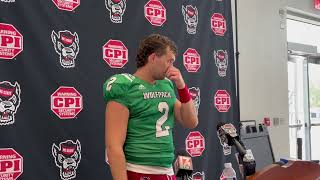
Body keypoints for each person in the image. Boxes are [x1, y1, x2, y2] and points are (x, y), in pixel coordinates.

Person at [103, 34, 198, 180]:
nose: (171, 67)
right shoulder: (125, 86)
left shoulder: (166, 84)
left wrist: (182, 87)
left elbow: (191, 122)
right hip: (139, 171)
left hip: (167, 172)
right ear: (153, 58)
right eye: (169, 61)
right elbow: (113, 147)